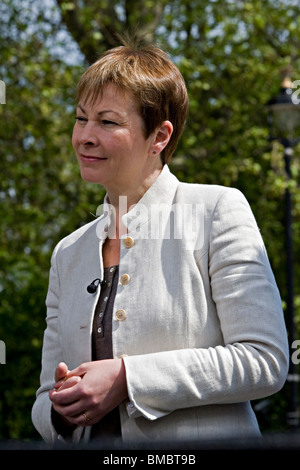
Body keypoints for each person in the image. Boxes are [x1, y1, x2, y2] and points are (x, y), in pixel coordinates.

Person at [32, 36, 289, 446]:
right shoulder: (68, 253)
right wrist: (62, 411)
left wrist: (127, 378)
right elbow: (44, 401)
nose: (84, 136)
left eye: (107, 121)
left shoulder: (217, 211)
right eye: (81, 119)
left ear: (160, 136)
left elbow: (265, 361)